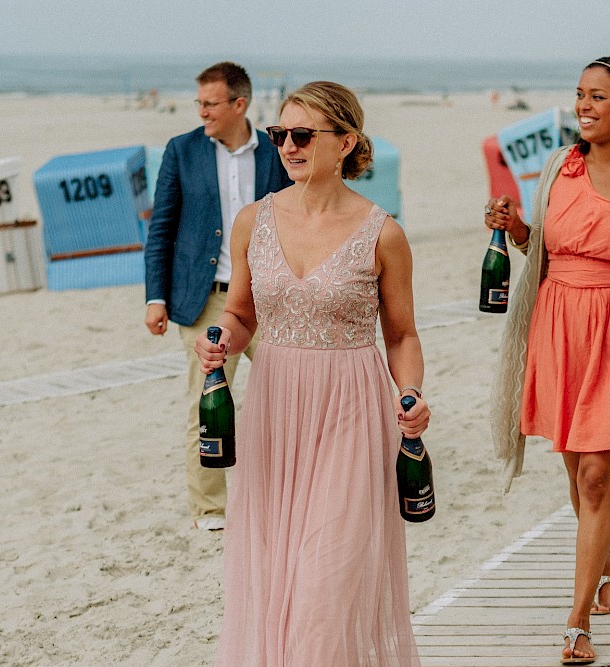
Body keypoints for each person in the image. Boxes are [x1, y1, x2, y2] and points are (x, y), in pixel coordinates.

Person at [195, 81, 430, 666]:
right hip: (276, 418)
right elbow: (241, 313)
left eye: (303, 135)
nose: (289, 146)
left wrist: (411, 395)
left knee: (326, 597)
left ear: (346, 141)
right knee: (280, 584)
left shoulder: (384, 234)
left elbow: (400, 335)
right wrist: (220, 341)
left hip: (351, 417)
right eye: (280, 135)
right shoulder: (254, 221)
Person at [488, 56, 610, 664]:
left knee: (598, 476)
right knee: (577, 473)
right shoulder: (559, 166)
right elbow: (543, 252)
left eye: (598, 96)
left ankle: (577, 623)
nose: (584, 106)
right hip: (560, 325)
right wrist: (516, 228)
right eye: (579, 95)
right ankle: (605, 566)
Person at [143, 61, 292, 531]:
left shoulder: (277, 149)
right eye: (200, 104)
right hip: (204, 299)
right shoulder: (182, 150)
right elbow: (161, 228)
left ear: (239, 104)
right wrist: (156, 296)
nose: (202, 112)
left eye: (210, 103)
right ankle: (210, 510)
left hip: (270, 298)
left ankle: (283, 494)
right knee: (206, 405)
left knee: (288, 396)